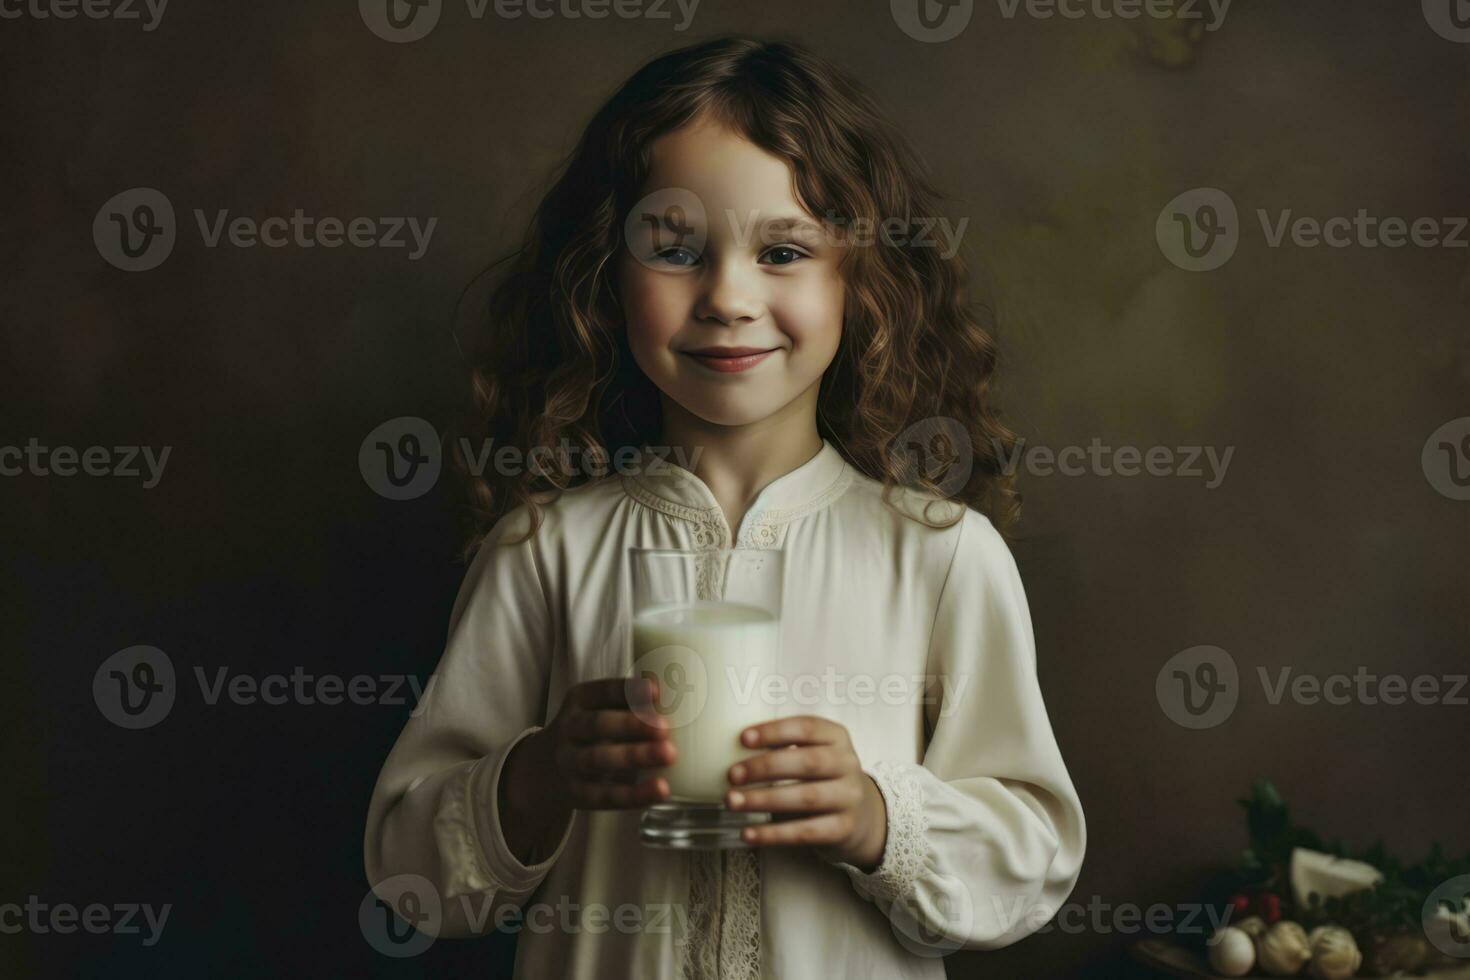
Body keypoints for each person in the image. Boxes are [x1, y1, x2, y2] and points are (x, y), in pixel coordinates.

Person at [363, 35, 1086, 980]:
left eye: (784, 250)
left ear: (857, 285)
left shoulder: (942, 556)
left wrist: (878, 818)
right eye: (675, 251)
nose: (729, 297)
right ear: (607, 279)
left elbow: (1032, 857)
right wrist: (538, 776)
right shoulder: (545, 550)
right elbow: (409, 871)